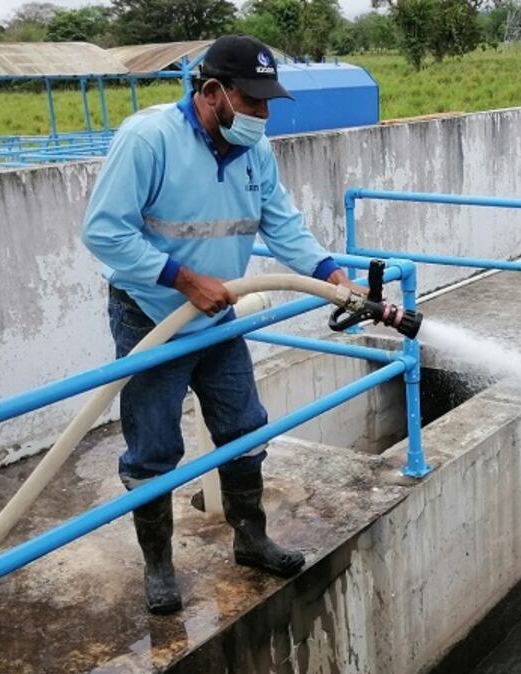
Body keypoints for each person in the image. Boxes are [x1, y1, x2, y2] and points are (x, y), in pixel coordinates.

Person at [81, 34, 358, 614]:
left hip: (220, 315)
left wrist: (330, 273)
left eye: (267, 104)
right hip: (150, 315)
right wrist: (182, 279)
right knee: (153, 448)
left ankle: (251, 539)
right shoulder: (148, 138)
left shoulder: (255, 153)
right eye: (252, 102)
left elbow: (281, 223)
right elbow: (104, 232)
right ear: (212, 92)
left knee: (245, 428)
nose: (262, 115)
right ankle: (159, 564)